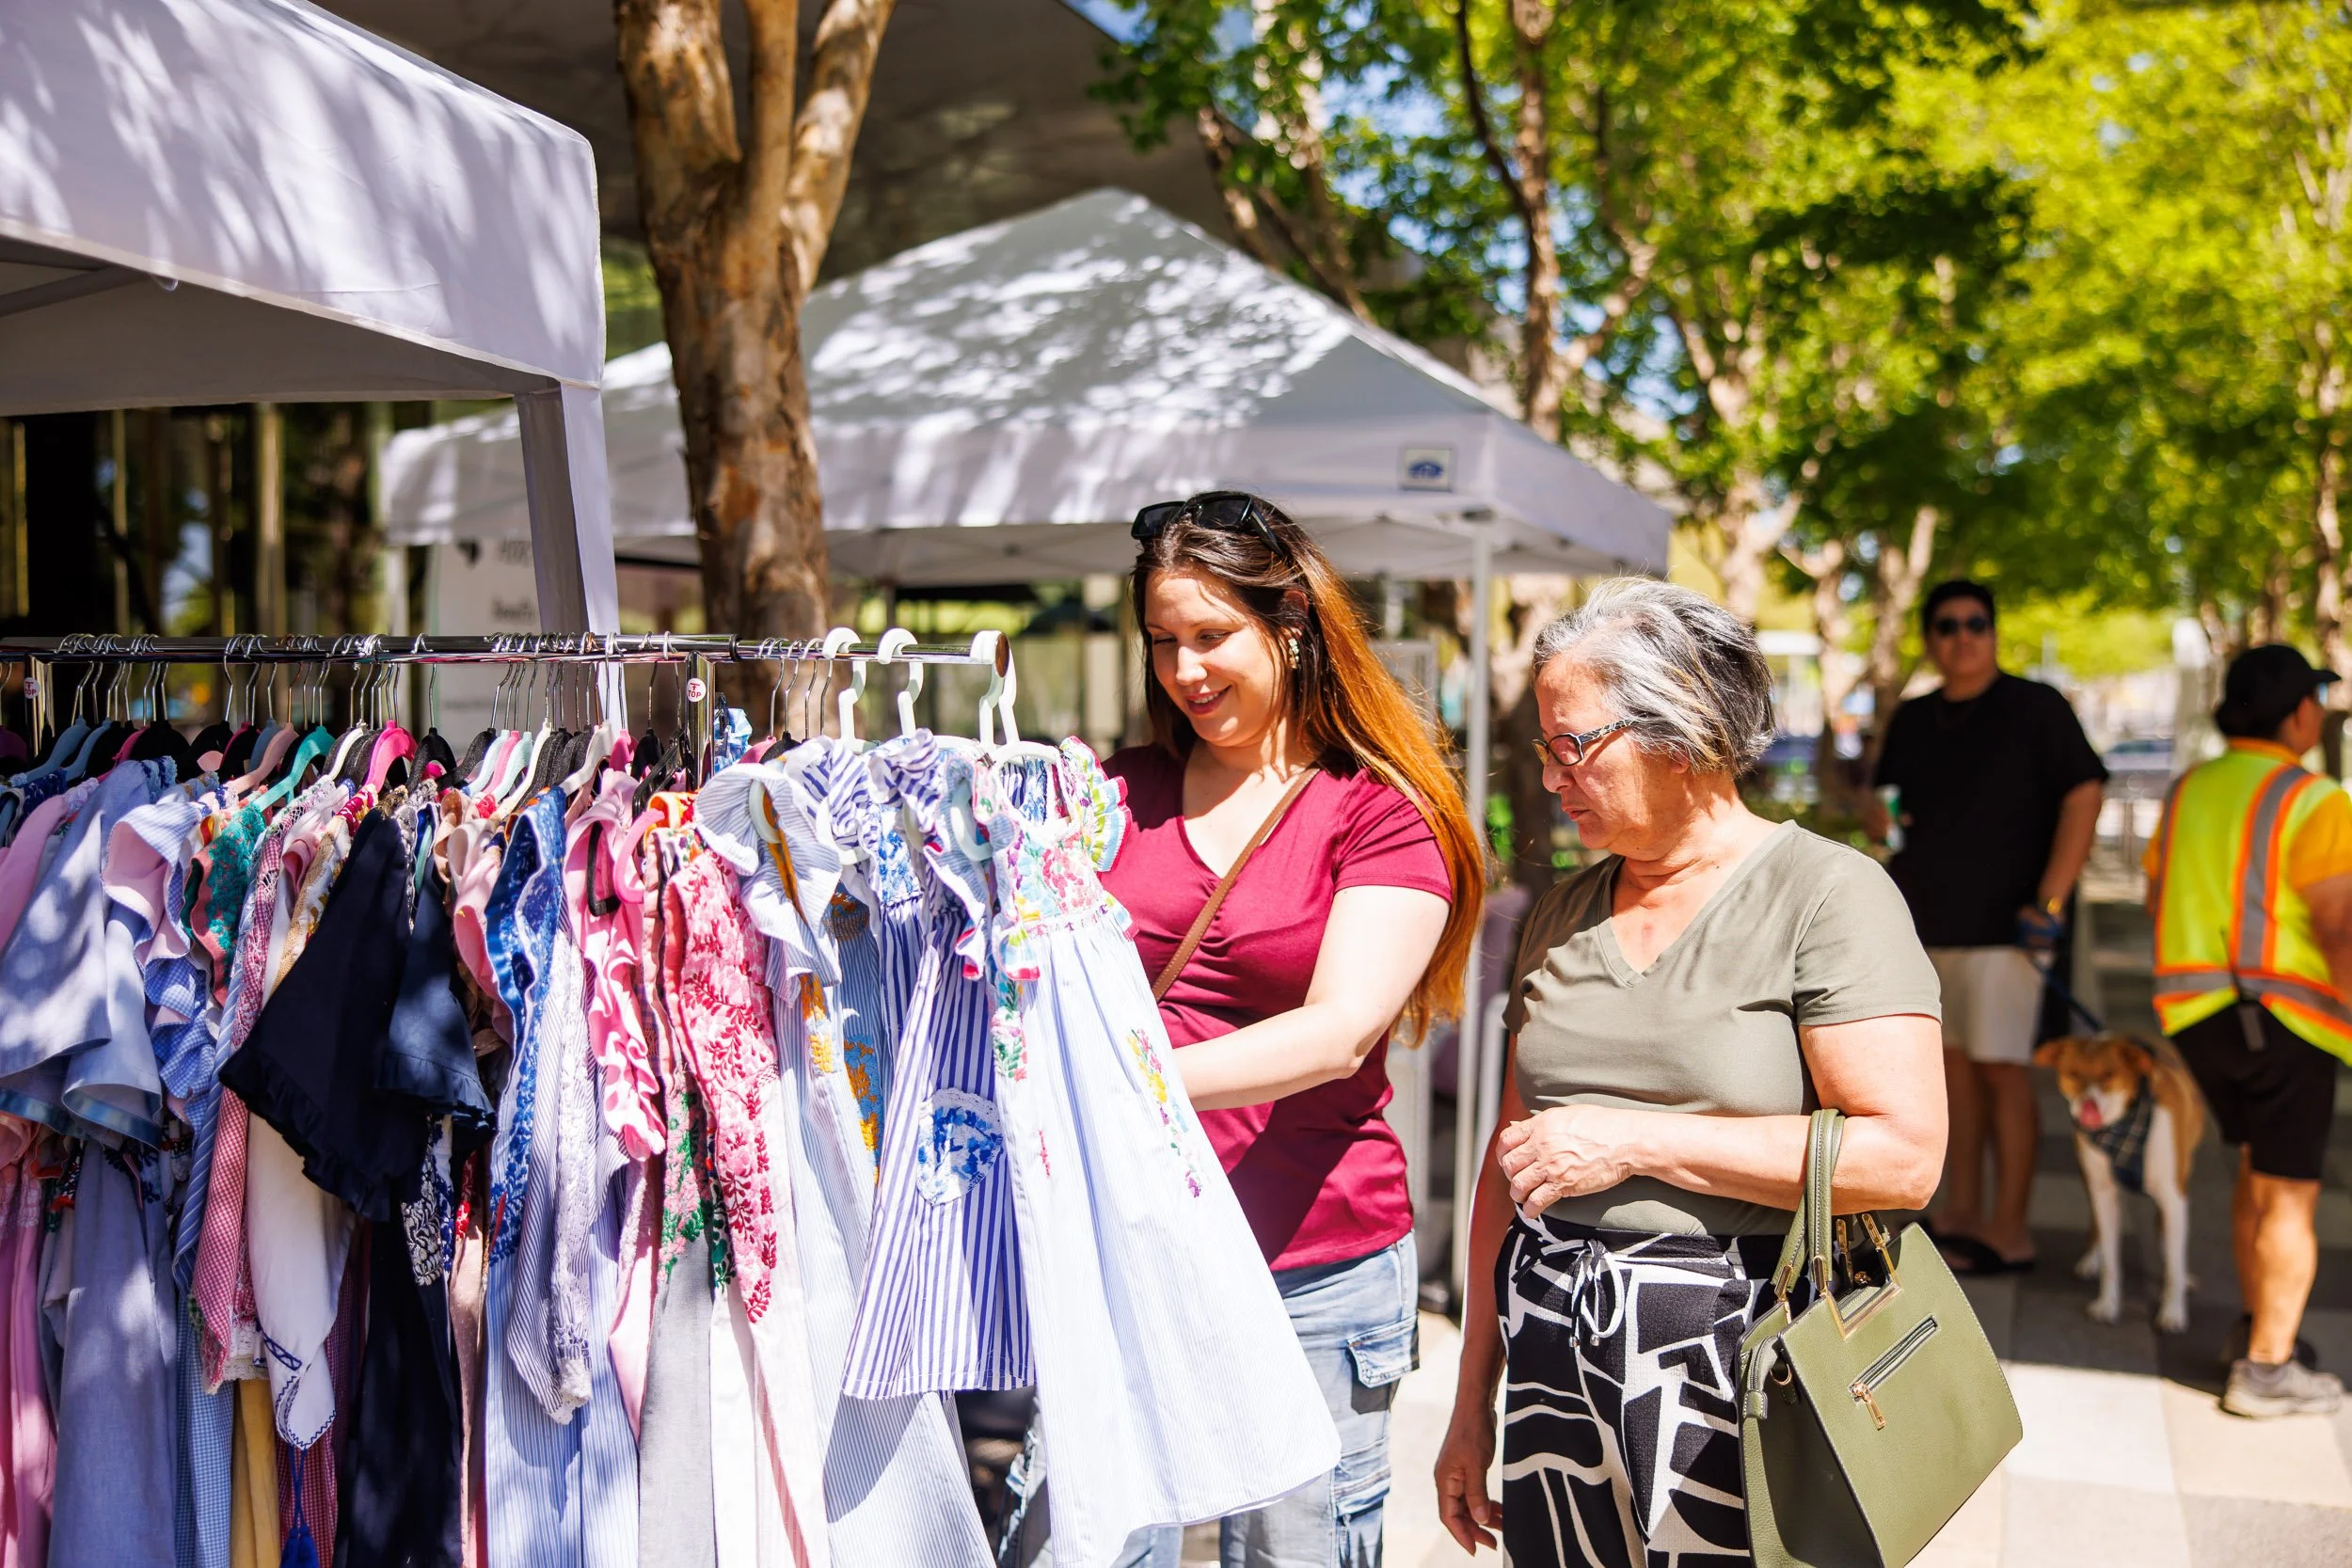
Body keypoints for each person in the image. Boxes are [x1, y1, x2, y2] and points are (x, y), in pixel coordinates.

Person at [1433, 579, 1945, 1566]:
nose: (1549, 775)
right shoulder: (1559, 912)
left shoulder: (1827, 896)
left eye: (1572, 742)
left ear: (1683, 730)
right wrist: (1471, 1398)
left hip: (1737, 1360)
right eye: (1544, 744)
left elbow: (1902, 1157)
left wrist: (1633, 1141)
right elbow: (1511, 1171)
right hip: (1552, 1361)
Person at [1090, 491, 1483, 1564]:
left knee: (1292, 1554)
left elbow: (1337, 1032)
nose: (1185, 670)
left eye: (1213, 636)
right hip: (1138, 1255)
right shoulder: (1115, 793)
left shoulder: (1378, 809)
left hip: (1314, 1262)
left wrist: (1120, 1077)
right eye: (1163, 642)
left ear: (1292, 624)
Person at [1867, 579, 2105, 1275]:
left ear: (1994, 632)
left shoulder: (2038, 707)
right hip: (1925, 927)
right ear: (1930, 638)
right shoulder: (1912, 719)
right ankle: (1960, 1213)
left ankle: (2010, 1228)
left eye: (1976, 623)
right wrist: (1878, 819)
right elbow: (1884, 803)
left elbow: (2084, 794)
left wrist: (2051, 901)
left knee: (2004, 1073)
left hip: (2010, 931)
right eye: (1946, 625)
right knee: (1950, 1075)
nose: (1962, 636)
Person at [2147, 643, 2352, 1418]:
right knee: (2291, 1196)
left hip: (2198, 1018)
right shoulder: (2313, 797)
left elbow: (2156, 893)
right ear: (2298, 711)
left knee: (2254, 1176)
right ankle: (2267, 1369)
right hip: (2286, 1018)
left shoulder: (2190, 788)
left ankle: (2256, 1331)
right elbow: (2338, 923)